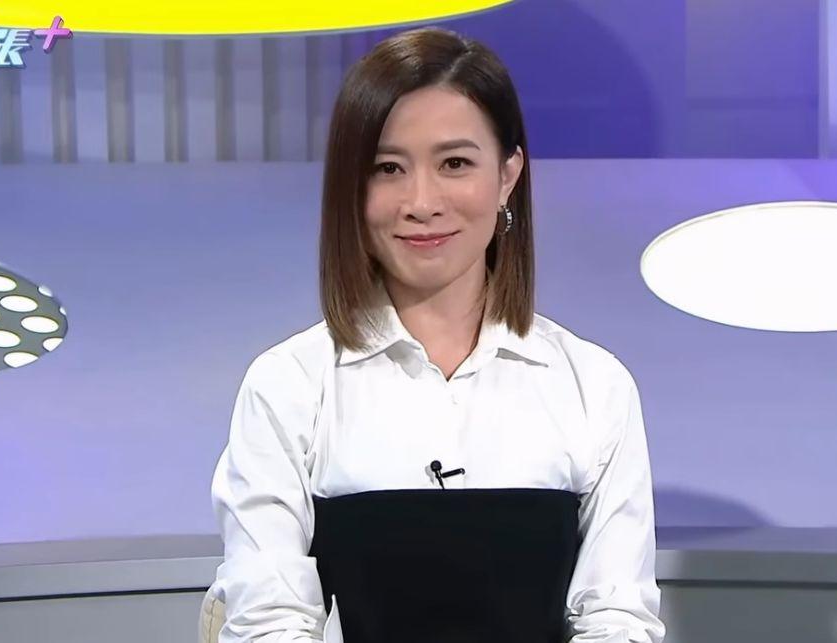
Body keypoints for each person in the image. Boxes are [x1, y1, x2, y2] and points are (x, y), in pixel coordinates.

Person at [209, 25, 666, 643]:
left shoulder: (594, 388)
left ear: (507, 175)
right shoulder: (289, 387)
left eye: (455, 163)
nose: (421, 202)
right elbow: (270, 623)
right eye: (388, 168)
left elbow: (618, 618)